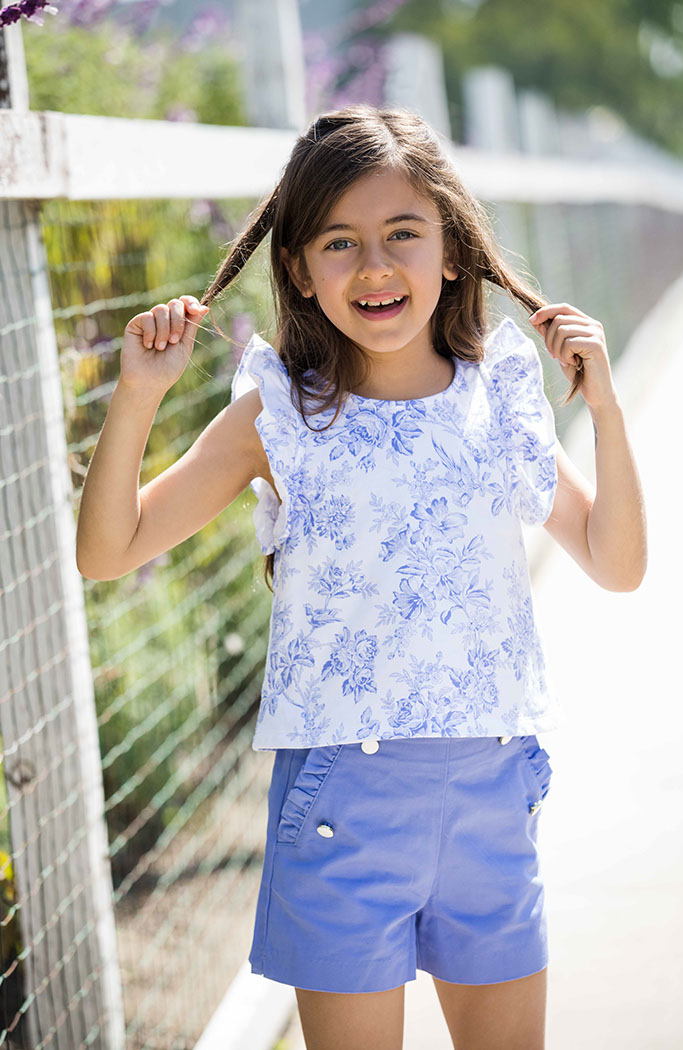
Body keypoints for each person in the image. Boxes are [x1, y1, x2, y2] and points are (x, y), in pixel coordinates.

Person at [75, 104, 647, 1050]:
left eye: (403, 234)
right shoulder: (278, 415)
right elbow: (108, 551)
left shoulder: (498, 398)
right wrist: (138, 395)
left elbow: (617, 564)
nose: (375, 266)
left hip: (491, 792)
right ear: (299, 269)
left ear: (452, 252)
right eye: (339, 242)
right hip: (341, 803)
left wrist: (608, 410)